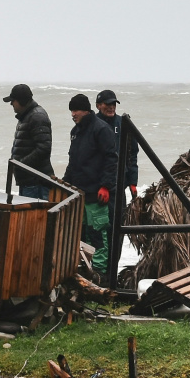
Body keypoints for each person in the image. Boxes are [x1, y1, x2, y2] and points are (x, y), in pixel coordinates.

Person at [63, 93, 118, 275]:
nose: (73, 114)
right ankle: (86, 271)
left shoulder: (101, 130)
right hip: (80, 193)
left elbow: (112, 159)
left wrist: (105, 186)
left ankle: (100, 274)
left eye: (76, 110)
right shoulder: (76, 132)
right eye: (71, 110)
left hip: (97, 194)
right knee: (82, 236)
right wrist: (65, 185)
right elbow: (73, 162)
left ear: (86, 110)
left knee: (98, 236)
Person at [3, 83, 55, 200]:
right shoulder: (27, 116)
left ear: (21, 101)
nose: (11, 103)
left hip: (36, 182)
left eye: (13, 100)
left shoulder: (37, 116)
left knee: (36, 217)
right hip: (29, 181)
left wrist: (21, 164)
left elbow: (44, 148)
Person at [95, 89, 140, 202]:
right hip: (96, 183)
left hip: (119, 182)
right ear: (98, 106)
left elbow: (132, 153)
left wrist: (132, 182)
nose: (111, 107)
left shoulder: (124, 123)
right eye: (108, 104)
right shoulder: (92, 124)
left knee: (120, 216)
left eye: (114, 104)